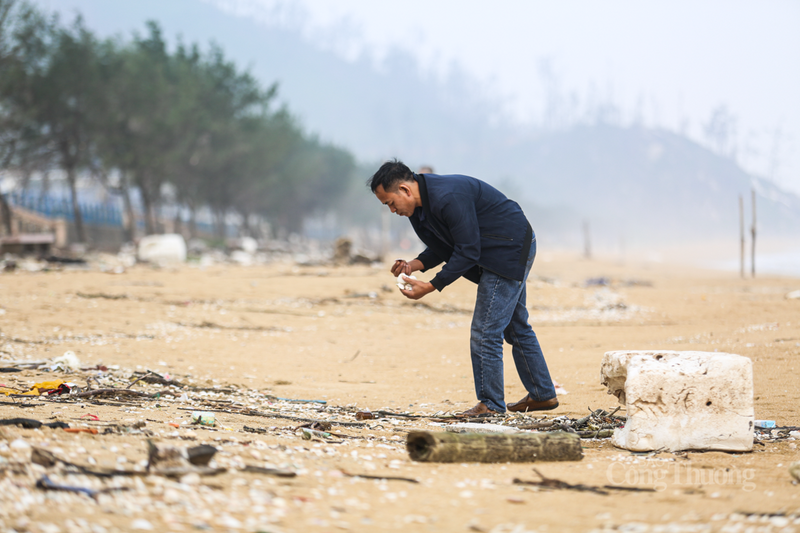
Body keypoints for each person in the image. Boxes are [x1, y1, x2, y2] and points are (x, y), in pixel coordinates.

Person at [369, 160, 558, 416]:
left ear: (404, 190)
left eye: (390, 203)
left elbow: (468, 250)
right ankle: (542, 394)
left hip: (508, 249)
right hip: (495, 250)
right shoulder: (418, 210)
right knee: (516, 326)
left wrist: (432, 285)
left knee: (485, 331)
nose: (392, 210)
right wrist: (413, 265)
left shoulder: (448, 196)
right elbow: (443, 246)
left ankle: (490, 404)